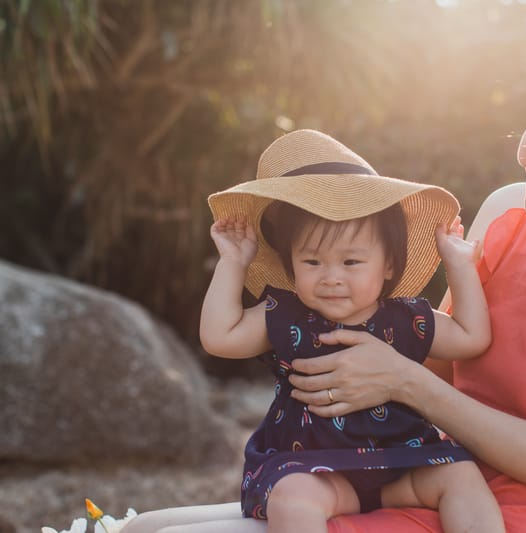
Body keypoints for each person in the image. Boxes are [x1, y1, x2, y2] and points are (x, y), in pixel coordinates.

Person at [124, 40, 526, 532]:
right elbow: (431, 358)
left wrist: (400, 379)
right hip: (418, 462)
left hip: (519, 509)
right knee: (141, 529)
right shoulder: (507, 209)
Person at [124, 129, 504, 533]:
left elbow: (471, 337)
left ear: (389, 265)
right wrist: (232, 263)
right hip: (317, 471)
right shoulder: (284, 314)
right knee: (292, 498)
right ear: (291, 265)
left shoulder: (405, 318)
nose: (331, 278)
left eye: (352, 262)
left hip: (402, 461)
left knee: (461, 475)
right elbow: (219, 338)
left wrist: (459, 266)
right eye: (312, 262)